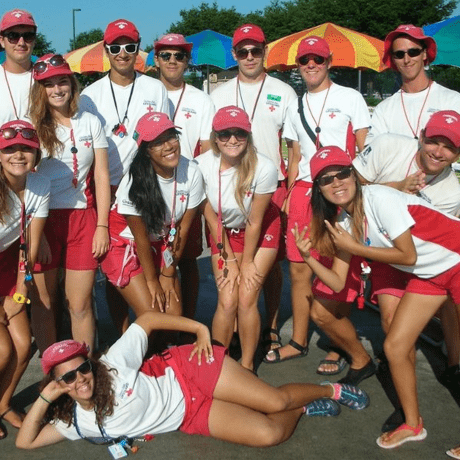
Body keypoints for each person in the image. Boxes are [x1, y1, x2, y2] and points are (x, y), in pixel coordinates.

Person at [293, 145, 460, 449]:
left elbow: (406, 256)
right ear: (319, 189)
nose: (337, 182)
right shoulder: (343, 224)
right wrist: (308, 258)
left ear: (354, 176)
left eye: (342, 173)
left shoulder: (380, 198)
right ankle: (413, 424)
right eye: (326, 179)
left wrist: (355, 248)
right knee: (395, 346)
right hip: (433, 274)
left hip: (456, 258)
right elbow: (338, 280)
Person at [15, 311, 370, 449]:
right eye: (68, 377)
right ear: (58, 383)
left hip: (190, 370)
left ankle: (333, 389)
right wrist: (46, 398)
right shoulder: (76, 422)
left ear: (90, 364)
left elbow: (148, 320)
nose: (80, 379)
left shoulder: (112, 364)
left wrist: (199, 329)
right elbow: (25, 444)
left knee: (275, 402)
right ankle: (307, 408)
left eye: (82, 369)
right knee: (269, 434)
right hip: (188, 414)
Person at [312, 110, 460, 387]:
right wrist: (398, 187)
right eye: (433, 142)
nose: (439, 152)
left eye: (450, 147)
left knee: (394, 323)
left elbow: (420, 251)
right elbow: (350, 184)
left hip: (412, 256)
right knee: (321, 309)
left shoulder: (452, 193)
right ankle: (361, 359)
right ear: (422, 137)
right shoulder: (388, 144)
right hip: (369, 240)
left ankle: (444, 368)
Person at [265, 36, 370, 364]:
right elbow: (295, 155)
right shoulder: (294, 104)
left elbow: (365, 150)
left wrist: (359, 197)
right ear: (298, 66)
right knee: (298, 270)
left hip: (338, 190)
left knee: (334, 268)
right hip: (303, 193)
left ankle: (337, 343)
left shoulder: (350, 97)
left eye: (318, 59)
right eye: (305, 60)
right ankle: (298, 340)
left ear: (329, 62)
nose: (311, 65)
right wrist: (289, 195)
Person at [79, 19, 169, 335]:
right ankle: (122, 333)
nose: (122, 53)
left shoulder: (154, 88)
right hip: (108, 188)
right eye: (115, 47)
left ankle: (154, 332)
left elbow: (164, 138)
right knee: (114, 268)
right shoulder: (89, 94)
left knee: (149, 260)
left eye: (129, 46)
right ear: (106, 50)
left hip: (146, 187)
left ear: (137, 48)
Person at [211, 24, 297, 354]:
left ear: (265, 52)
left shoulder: (283, 91)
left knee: (270, 264)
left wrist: (288, 190)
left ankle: (271, 325)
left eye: (255, 50)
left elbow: (293, 145)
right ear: (234, 55)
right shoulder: (218, 94)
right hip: (230, 185)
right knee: (230, 259)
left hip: (270, 185)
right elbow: (210, 145)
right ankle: (233, 325)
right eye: (242, 51)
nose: (249, 57)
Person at [29, 55, 110, 353]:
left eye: (62, 81)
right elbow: (24, 181)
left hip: (83, 218)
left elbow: (101, 176)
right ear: (40, 90)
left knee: (79, 303)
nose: (57, 89)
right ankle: (53, 372)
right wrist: (35, 233)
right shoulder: (32, 125)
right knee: (45, 301)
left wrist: (102, 225)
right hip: (43, 219)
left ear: (72, 84)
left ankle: (85, 368)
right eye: (48, 84)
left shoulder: (90, 121)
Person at [195, 106, 279, 372]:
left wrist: (247, 262)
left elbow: (255, 221)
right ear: (215, 136)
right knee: (227, 299)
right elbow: (209, 215)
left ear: (248, 135)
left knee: (246, 296)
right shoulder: (202, 164)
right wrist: (229, 257)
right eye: (225, 134)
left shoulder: (264, 166)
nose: (232, 139)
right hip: (223, 233)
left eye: (239, 133)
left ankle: (246, 365)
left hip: (260, 229)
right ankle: (218, 363)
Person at [100, 112, 204, 323]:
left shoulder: (192, 171)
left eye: (171, 137)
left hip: (161, 241)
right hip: (125, 243)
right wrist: (152, 281)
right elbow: (141, 239)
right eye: (157, 143)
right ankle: (135, 351)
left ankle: (157, 351)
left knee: (173, 314)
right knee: (154, 312)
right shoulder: (133, 182)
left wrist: (167, 274)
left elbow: (181, 230)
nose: (168, 146)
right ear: (146, 151)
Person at [154, 33, 215, 324]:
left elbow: (207, 148)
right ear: (156, 60)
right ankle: (155, 321)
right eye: (166, 55)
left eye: (179, 55)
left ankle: (187, 323)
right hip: (152, 186)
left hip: (187, 187)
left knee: (187, 259)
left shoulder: (201, 99)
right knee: (152, 259)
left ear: (188, 61)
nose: (173, 61)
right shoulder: (148, 92)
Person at [0, 120, 49, 439]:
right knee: (3, 349)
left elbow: (28, 246)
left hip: (8, 266)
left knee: (22, 344)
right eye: (9, 149)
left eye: (26, 149)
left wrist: (19, 293)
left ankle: (2, 402)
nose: (18, 155)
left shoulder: (39, 185)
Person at [368, 24, 460, 142]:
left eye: (413, 52)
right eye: (399, 54)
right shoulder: (384, 109)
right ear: (394, 60)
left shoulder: (452, 100)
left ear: (425, 53)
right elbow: (374, 152)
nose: (407, 60)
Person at [0, 9, 36, 124]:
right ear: (2, 41)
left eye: (28, 36)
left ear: (34, 40)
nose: (21, 42)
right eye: (13, 36)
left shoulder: (47, 79)